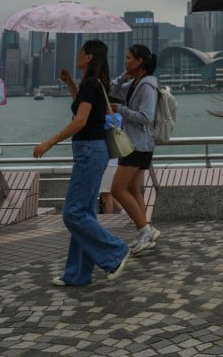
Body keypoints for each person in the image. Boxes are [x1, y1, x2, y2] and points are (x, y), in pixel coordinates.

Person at [33, 39, 130, 286]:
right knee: (84, 213)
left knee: (73, 213)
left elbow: (80, 121)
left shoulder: (91, 84)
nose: (77, 55)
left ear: (88, 57)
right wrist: (70, 85)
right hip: (94, 151)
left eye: (80, 52)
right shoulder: (92, 84)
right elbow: (83, 109)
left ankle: (116, 251)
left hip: (88, 151)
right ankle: (77, 274)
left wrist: (49, 142)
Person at [109, 44, 161, 255]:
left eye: (129, 58)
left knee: (117, 189)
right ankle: (145, 232)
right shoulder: (135, 83)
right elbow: (112, 92)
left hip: (138, 145)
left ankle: (144, 230)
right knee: (133, 190)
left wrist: (121, 110)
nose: (125, 62)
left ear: (140, 61)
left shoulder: (147, 85)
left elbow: (147, 117)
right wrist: (124, 76)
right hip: (136, 144)